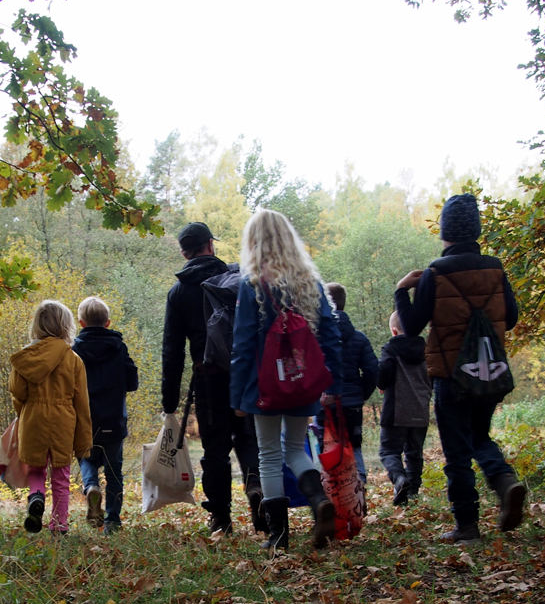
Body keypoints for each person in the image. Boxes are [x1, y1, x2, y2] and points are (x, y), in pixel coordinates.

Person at [394, 194, 526, 542]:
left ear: (445, 232)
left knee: (456, 452)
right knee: (479, 436)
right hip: (490, 371)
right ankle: (504, 480)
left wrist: (401, 291)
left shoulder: (436, 273)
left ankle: (467, 525)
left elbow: (410, 328)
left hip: (452, 374)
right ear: (477, 230)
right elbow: (511, 319)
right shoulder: (495, 268)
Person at [229, 209, 343, 551]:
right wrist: (332, 384)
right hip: (302, 382)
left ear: (254, 242)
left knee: (268, 453)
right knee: (295, 448)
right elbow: (330, 334)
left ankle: (278, 538)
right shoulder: (309, 282)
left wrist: (237, 397)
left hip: (264, 387)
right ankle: (319, 500)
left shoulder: (251, 285)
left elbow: (243, 344)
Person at [161, 221, 263, 535]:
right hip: (245, 376)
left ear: (183, 252)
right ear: (210, 245)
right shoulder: (239, 279)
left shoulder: (179, 292)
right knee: (249, 440)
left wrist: (170, 401)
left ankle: (220, 517)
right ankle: (257, 489)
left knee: (215, 450)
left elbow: (172, 350)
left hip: (208, 379)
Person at [9, 300, 92, 536]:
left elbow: (18, 393)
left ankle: (36, 496)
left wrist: (23, 415)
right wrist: (83, 440)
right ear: (66, 327)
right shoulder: (74, 360)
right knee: (61, 476)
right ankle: (59, 525)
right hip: (63, 422)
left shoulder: (25, 359)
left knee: (36, 469)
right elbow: (82, 403)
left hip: (33, 418)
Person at [72, 296, 139, 534]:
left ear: (81, 323)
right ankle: (112, 522)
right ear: (108, 323)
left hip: (84, 420)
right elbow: (132, 382)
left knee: (87, 459)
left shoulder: (74, 350)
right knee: (114, 472)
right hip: (113, 419)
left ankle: (91, 487)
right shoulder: (119, 347)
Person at [324, 282, 378, 482]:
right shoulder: (359, 338)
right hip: (352, 404)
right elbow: (372, 370)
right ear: (344, 304)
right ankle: (359, 485)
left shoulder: (316, 337)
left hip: (325, 404)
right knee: (354, 445)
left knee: (327, 447)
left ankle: (333, 492)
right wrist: (360, 394)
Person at [377, 310, 431, 506]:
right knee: (414, 453)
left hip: (396, 409)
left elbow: (383, 370)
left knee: (388, 451)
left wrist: (382, 384)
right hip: (420, 409)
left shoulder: (391, 348)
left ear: (394, 331)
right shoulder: (427, 349)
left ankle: (400, 480)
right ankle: (413, 491)